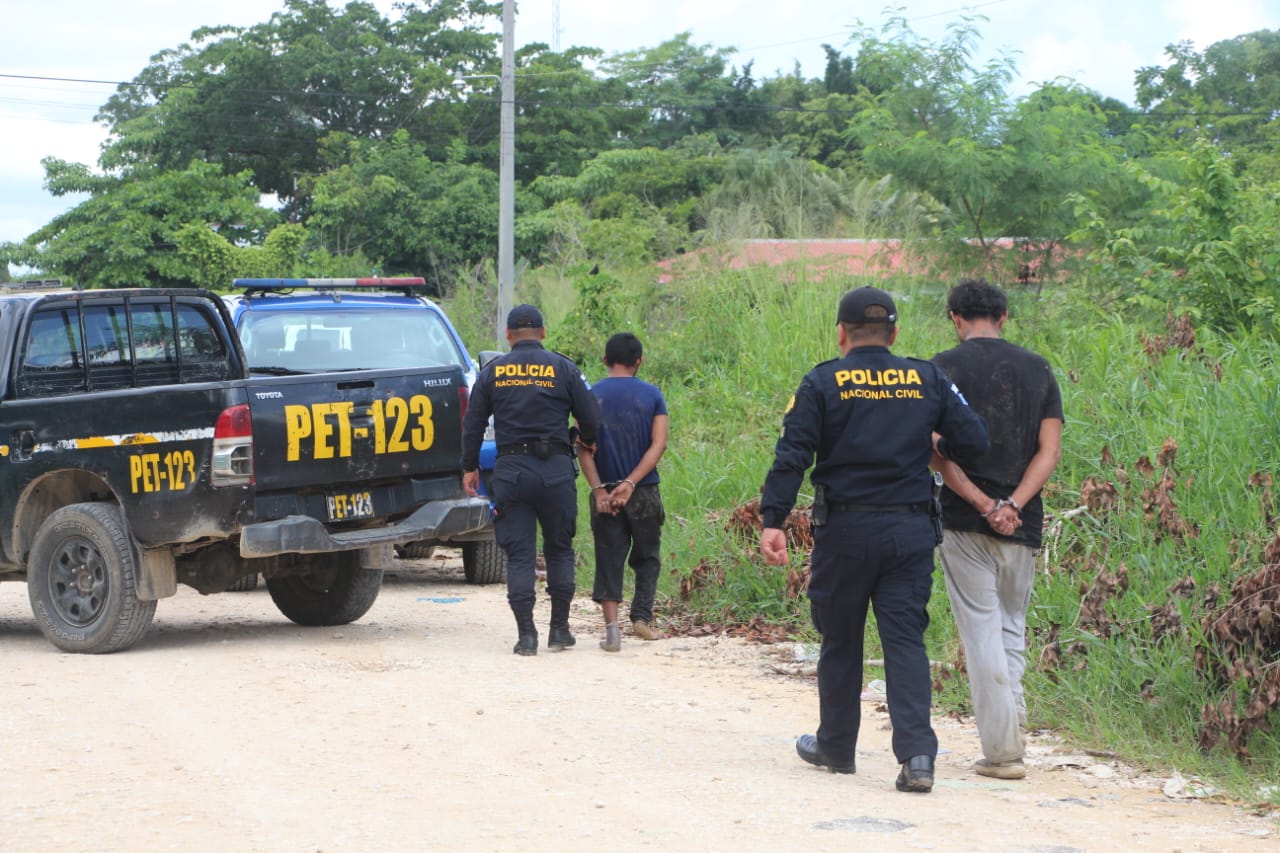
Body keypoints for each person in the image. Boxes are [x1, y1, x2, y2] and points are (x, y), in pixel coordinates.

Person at [759, 286, 989, 794]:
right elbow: (975, 440)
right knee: (904, 639)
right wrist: (934, 441)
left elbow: (791, 455)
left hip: (844, 530)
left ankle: (837, 747)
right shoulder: (928, 377)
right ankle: (918, 758)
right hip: (909, 531)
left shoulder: (823, 381)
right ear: (894, 333)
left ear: (841, 333)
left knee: (840, 638)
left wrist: (773, 520)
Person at [931, 278, 1063, 781]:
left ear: (955, 319)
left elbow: (937, 452)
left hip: (966, 520)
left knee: (981, 631)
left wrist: (986, 504)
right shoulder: (1038, 369)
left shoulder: (941, 369)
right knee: (1012, 628)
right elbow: (1048, 452)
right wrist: (1013, 504)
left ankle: (1003, 752)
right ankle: (1016, 731)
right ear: (1004, 317)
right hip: (1023, 520)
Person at [462, 304, 602, 656]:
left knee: (520, 555)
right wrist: (586, 437)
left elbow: (473, 424)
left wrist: (469, 467)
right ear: (543, 332)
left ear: (508, 336)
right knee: (559, 549)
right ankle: (559, 630)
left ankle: (526, 636)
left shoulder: (492, 373)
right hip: (555, 469)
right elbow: (591, 417)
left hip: (513, 470)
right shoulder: (564, 367)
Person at [575, 333, 669, 653]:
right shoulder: (653, 395)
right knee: (647, 556)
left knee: (608, 556)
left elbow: (583, 449)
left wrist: (600, 489)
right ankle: (642, 616)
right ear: (638, 362)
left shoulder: (590, 397)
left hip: (604, 491)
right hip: (643, 491)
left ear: (605, 360)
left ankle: (612, 630)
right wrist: (631, 483)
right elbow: (659, 444)